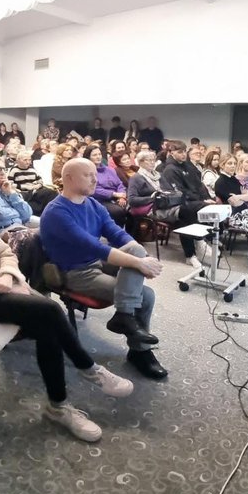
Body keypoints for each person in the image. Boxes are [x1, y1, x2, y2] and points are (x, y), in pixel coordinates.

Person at [0, 174, 133, 442]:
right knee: (50, 311)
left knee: (48, 327)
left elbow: (6, 254)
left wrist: (8, 276)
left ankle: (58, 406)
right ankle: (88, 369)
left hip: (1, 283)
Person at [40, 158, 168, 380]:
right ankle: (140, 351)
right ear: (68, 178)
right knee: (145, 295)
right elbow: (94, 246)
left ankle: (125, 316)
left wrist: (141, 255)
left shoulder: (93, 205)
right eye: (88, 174)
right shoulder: (56, 212)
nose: (95, 179)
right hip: (75, 273)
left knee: (135, 249)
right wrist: (139, 264)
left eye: (95, 174)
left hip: (96, 263)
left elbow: (116, 234)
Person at [0, 156, 36, 231]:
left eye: (4, 169)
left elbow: (27, 213)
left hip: (20, 227)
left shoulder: (7, 189)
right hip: (2, 231)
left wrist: (11, 193)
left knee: (49, 227)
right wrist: (19, 213)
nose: (2, 173)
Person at [84, 147, 129, 227]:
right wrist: (114, 194)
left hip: (117, 197)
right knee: (117, 211)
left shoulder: (110, 170)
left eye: (99, 154)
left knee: (132, 207)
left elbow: (119, 184)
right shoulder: (87, 172)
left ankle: (132, 235)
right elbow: (94, 190)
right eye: (94, 155)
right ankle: (117, 235)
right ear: (88, 157)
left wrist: (122, 196)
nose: (98, 157)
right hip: (99, 200)